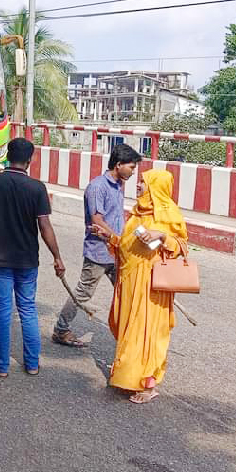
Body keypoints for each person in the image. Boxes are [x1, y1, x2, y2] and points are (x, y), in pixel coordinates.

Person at [0, 138, 65, 377]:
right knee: (27, 309)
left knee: (1, 310)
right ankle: (31, 364)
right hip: (27, 259)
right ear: (30, 159)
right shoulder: (36, 187)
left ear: (7, 156)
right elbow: (44, 225)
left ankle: (1, 365)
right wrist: (57, 256)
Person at [89, 169, 187, 404]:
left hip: (151, 286)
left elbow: (181, 246)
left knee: (147, 333)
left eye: (144, 182)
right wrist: (108, 236)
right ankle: (128, 374)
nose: (139, 185)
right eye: (140, 181)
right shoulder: (136, 214)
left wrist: (162, 236)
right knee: (129, 331)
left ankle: (147, 383)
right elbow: (126, 245)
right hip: (129, 282)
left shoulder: (168, 214)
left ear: (156, 187)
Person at [52, 143, 141, 348]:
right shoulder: (97, 187)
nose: (133, 171)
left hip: (117, 252)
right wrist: (119, 239)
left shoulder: (118, 185)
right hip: (99, 252)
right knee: (83, 293)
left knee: (126, 290)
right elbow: (97, 220)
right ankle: (61, 329)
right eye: (131, 167)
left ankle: (131, 333)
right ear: (118, 164)